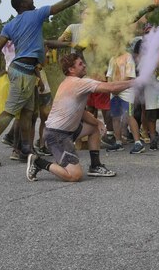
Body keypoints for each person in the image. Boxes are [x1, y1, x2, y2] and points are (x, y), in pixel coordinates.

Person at [0, 0, 102, 166]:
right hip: (23, 72)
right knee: (11, 110)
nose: (33, 0)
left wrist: (0, 70)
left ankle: (26, 149)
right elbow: (66, 2)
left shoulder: (10, 25)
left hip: (26, 71)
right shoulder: (35, 15)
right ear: (22, 4)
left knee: (28, 113)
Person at [26, 53, 132, 182]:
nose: (84, 66)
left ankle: (95, 166)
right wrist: (135, 82)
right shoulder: (79, 83)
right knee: (75, 175)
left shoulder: (69, 82)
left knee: (93, 128)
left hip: (65, 132)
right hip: (57, 136)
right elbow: (112, 88)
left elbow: (81, 112)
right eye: (80, 64)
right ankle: (38, 162)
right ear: (71, 69)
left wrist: (98, 122)